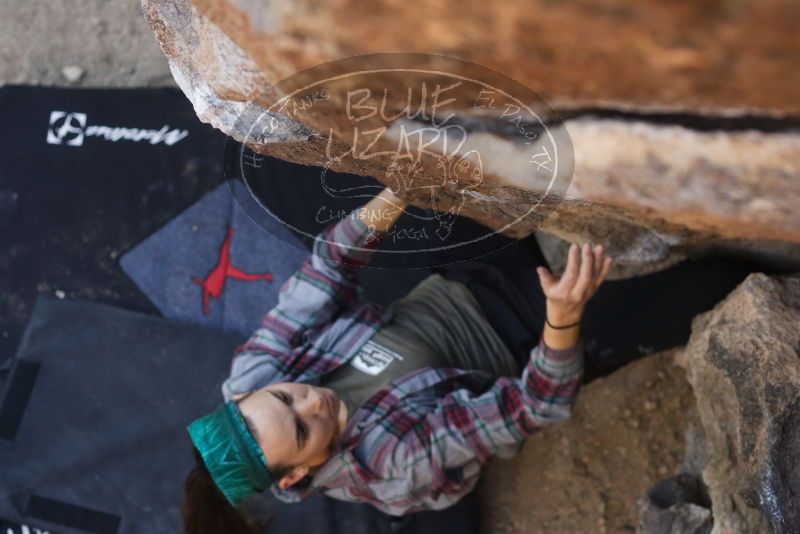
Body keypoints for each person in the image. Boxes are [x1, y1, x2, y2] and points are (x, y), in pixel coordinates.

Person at [181, 186, 613, 533]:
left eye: (284, 397)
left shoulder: (254, 373)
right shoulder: (395, 463)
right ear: (294, 476)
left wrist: (400, 189)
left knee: (468, 157)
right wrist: (563, 317)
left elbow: (328, 267)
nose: (312, 402)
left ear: (249, 393)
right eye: (300, 429)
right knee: (676, 292)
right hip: (532, 343)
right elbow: (537, 402)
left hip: (458, 277)